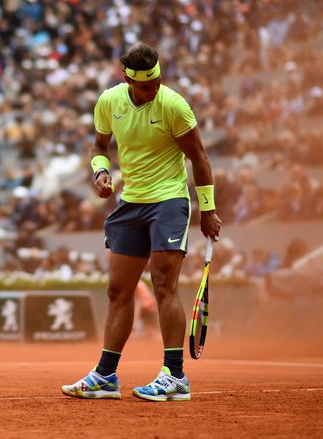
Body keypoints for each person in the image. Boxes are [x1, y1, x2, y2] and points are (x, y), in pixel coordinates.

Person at [61, 42, 222, 402]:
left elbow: (199, 156)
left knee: (164, 285)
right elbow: (99, 146)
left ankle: (175, 375)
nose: (154, 90)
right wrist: (100, 172)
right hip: (130, 202)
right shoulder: (109, 102)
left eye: (158, 82)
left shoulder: (174, 105)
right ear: (127, 79)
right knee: (118, 290)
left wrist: (207, 209)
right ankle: (105, 376)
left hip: (168, 200)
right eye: (146, 86)